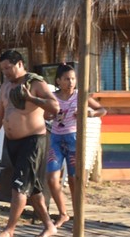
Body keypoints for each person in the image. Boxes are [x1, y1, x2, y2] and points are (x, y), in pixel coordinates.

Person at [0, 50, 60, 237]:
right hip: (12, 142)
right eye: (2, 69)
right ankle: (49, 225)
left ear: (19, 64)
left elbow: (55, 107)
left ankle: (9, 231)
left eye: (8, 68)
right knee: (33, 189)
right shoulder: (5, 87)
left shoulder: (35, 83)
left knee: (19, 186)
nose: (5, 73)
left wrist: (32, 99)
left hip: (33, 141)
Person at [44, 62, 105, 228]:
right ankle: (63, 213)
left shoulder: (80, 96)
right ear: (58, 81)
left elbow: (102, 110)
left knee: (74, 180)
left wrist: (89, 113)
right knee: (51, 179)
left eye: (73, 79)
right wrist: (50, 115)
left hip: (73, 140)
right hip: (56, 140)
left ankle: (79, 215)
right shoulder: (52, 97)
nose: (70, 82)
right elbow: (45, 114)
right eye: (66, 79)